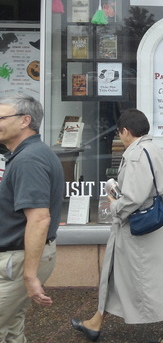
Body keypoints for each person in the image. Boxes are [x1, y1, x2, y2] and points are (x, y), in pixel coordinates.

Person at [71, 109, 163, 343]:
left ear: (125, 131)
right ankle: (95, 323)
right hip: (151, 227)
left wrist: (114, 205)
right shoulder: (153, 149)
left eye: (119, 133)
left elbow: (133, 198)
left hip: (136, 230)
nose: (119, 137)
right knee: (134, 276)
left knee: (145, 279)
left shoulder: (135, 155)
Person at [0, 94, 64, 343]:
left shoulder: (29, 159)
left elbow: (39, 219)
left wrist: (30, 276)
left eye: (1, 118)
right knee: (11, 328)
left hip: (16, 261)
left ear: (25, 121)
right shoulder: (27, 154)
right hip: (16, 259)